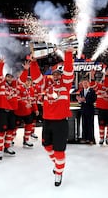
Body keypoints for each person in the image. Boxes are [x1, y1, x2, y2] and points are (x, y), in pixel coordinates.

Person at [30, 48, 74, 187]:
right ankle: (57, 164)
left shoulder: (66, 84)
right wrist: (33, 62)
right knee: (46, 146)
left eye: (58, 74)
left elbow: (68, 71)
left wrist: (68, 54)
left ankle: (58, 174)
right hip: (47, 121)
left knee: (59, 150)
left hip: (61, 123)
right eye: (54, 74)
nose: (56, 76)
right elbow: (37, 78)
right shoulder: (46, 84)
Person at [0, 58, 29, 160]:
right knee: (1, 131)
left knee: (10, 130)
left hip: (12, 112)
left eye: (11, 77)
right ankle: (0, 150)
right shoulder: (1, 84)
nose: (9, 78)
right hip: (2, 112)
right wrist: (0, 64)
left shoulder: (15, 86)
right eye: (8, 77)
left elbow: (22, 80)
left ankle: (7, 147)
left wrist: (26, 70)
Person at [90, 68, 108, 146]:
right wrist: (92, 76)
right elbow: (93, 84)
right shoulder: (99, 86)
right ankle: (101, 138)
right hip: (101, 109)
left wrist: (107, 75)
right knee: (101, 124)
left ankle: (107, 137)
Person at [14, 77, 38, 148]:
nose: (28, 82)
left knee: (29, 125)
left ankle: (26, 140)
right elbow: (17, 98)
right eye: (27, 80)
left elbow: (33, 101)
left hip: (28, 112)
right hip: (19, 111)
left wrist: (36, 109)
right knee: (15, 127)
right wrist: (25, 104)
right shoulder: (19, 88)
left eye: (30, 81)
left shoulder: (32, 89)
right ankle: (9, 141)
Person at [76, 78, 97, 145]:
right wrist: (79, 100)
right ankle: (84, 138)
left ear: (88, 83)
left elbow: (93, 99)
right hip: (83, 110)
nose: (84, 84)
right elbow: (81, 101)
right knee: (84, 124)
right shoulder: (81, 91)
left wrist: (85, 100)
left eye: (86, 83)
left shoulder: (92, 91)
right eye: (83, 83)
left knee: (90, 124)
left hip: (90, 110)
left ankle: (91, 139)